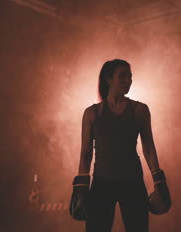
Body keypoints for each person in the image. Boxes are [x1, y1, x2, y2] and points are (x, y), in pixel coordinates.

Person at [72, 59, 168, 232]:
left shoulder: (140, 110)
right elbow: (86, 152)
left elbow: (149, 148)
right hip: (102, 182)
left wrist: (158, 180)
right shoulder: (92, 113)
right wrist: (81, 187)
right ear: (109, 79)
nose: (128, 80)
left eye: (130, 76)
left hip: (132, 181)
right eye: (122, 76)